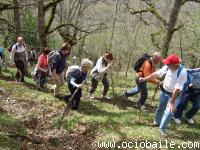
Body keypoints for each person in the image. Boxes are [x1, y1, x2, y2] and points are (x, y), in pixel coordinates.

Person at [139, 54, 187, 136]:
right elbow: (157, 73)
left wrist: (172, 102)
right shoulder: (168, 67)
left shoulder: (182, 72)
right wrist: (144, 79)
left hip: (174, 95)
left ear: (175, 64)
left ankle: (162, 129)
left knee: (168, 112)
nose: (166, 65)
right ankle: (156, 122)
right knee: (160, 108)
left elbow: (177, 89)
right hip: (164, 91)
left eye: (168, 64)